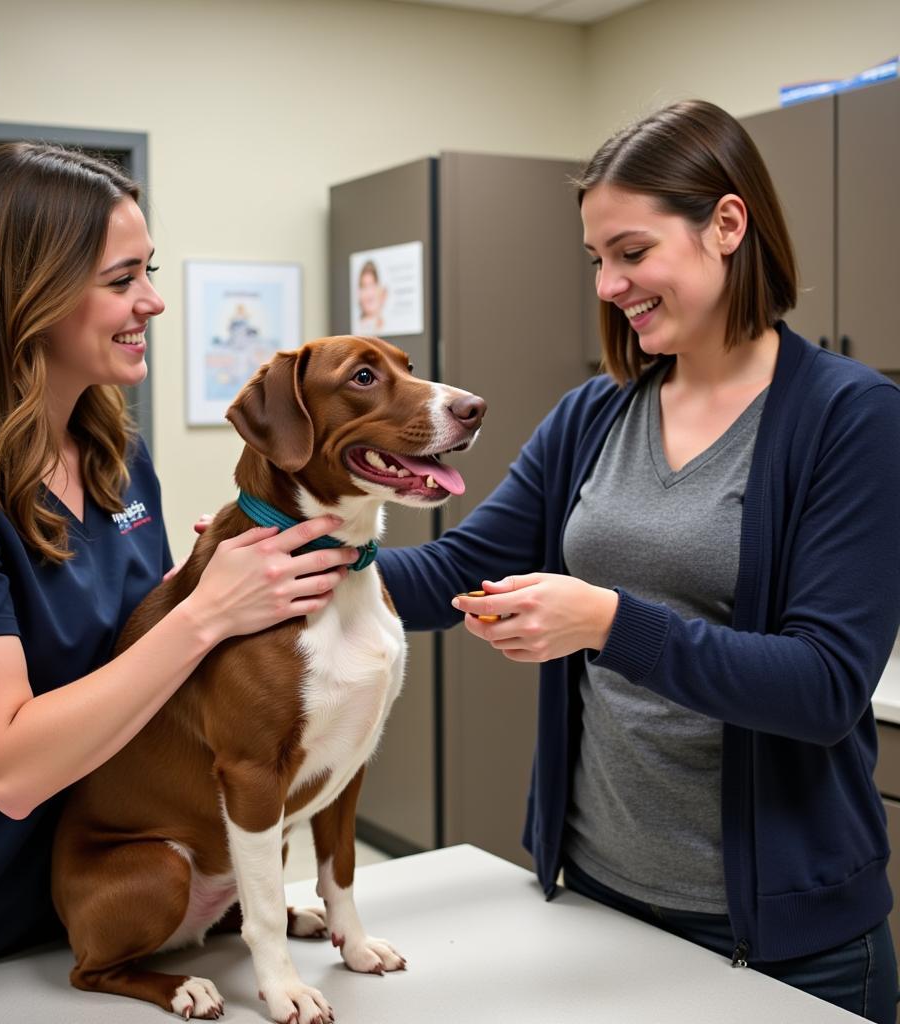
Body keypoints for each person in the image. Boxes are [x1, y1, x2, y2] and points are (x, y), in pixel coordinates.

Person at [375, 100, 900, 1022]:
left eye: (632, 252)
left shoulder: (850, 419)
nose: (609, 284)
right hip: (600, 897)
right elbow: (459, 567)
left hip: (784, 944)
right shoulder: (595, 415)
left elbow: (823, 687)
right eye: (596, 261)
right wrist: (292, 566)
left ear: (726, 225)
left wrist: (607, 623)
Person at [0, 143, 359, 989]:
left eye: (152, 270)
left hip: (114, 903)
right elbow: (10, 765)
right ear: (25, 291)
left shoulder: (113, 452)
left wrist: (214, 578)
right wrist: (205, 611)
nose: (154, 301)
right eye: (121, 278)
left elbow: (139, 665)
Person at [355, 259, 387, 333]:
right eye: (364, 286)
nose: (368, 293)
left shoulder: (384, 324)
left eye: (372, 285)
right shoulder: (359, 329)